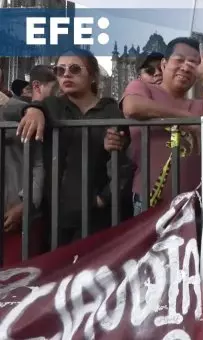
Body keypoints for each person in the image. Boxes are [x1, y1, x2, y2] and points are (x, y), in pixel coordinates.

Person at [15, 48, 136, 246]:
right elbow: (27, 108)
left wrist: (103, 198)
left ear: (93, 76)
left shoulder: (110, 111)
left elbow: (123, 163)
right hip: (56, 215)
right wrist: (32, 110)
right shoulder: (52, 105)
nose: (66, 74)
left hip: (98, 215)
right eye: (60, 70)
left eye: (74, 69)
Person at [119, 37, 203, 214]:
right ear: (164, 64)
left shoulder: (200, 104)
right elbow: (132, 107)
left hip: (193, 203)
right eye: (179, 60)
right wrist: (188, 120)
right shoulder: (142, 88)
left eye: (193, 63)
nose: (186, 66)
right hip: (149, 201)